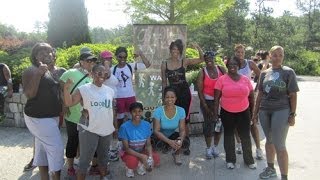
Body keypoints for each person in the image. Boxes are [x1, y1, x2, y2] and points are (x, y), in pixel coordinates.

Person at [252, 46, 299, 180]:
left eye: (280, 55)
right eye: (275, 55)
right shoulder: (264, 73)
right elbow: (260, 94)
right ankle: (270, 168)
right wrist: (255, 113)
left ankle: (284, 177)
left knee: (279, 144)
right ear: (270, 56)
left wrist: (292, 114)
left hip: (281, 110)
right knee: (269, 141)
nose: (277, 57)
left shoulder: (288, 72)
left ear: (283, 56)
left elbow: (293, 95)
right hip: (264, 110)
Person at [64, 64, 115, 180]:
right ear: (92, 74)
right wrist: (66, 88)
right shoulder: (84, 89)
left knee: (104, 158)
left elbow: (111, 110)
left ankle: (103, 177)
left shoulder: (110, 91)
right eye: (99, 73)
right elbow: (69, 102)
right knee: (85, 161)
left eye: (104, 74)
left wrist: (114, 127)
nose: (102, 76)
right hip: (88, 130)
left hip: (106, 130)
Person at [22, 43, 64, 180]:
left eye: (49, 51)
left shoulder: (54, 71)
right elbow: (29, 94)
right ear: (35, 56)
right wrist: (39, 74)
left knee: (42, 151)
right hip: (38, 117)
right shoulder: (31, 70)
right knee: (57, 150)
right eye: (41, 52)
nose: (46, 54)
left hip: (52, 117)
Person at [161, 39, 204, 155]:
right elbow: (164, 83)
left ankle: (185, 143)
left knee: (185, 120)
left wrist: (198, 47)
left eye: (177, 49)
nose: (175, 51)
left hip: (184, 93)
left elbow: (201, 59)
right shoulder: (164, 64)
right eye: (173, 49)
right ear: (170, 50)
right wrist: (163, 98)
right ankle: (172, 143)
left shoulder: (184, 61)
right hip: (172, 95)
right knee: (172, 119)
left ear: (180, 51)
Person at [214, 56, 256, 169]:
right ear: (227, 66)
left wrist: (253, 113)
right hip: (227, 112)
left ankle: (249, 160)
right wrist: (215, 115)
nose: (232, 66)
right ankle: (230, 160)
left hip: (244, 112)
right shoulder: (221, 79)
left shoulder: (245, 79)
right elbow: (216, 98)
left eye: (235, 64)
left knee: (246, 136)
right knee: (228, 136)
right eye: (230, 64)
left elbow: (252, 97)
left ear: (239, 66)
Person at [60, 47, 96, 177]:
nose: (91, 63)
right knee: (73, 141)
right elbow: (60, 87)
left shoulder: (94, 75)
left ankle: (88, 164)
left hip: (87, 116)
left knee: (88, 141)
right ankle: (70, 167)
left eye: (93, 61)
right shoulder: (71, 72)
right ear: (81, 62)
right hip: (73, 115)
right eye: (88, 61)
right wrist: (64, 104)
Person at [234, 44, 263, 160]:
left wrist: (257, 89)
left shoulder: (250, 63)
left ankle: (258, 149)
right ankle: (239, 144)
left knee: (252, 124)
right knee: (236, 123)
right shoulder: (231, 64)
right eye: (238, 52)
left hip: (248, 98)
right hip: (235, 99)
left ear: (244, 53)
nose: (240, 54)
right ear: (234, 53)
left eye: (242, 52)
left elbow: (261, 75)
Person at [197, 51, 226, 159]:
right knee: (209, 125)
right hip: (207, 102)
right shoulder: (202, 72)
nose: (209, 60)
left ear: (214, 58)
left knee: (219, 125)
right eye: (206, 58)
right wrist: (205, 106)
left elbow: (228, 82)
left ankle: (215, 147)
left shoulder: (221, 70)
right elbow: (200, 91)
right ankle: (208, 148)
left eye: (211, 58)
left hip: (220, 101)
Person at [119, 102, 160, 178]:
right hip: (128, 152)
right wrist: (142, 156)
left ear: (142, 112)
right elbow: (126, 149)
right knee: (132, 162)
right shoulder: (124, 127)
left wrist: (150, 157)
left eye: (139, 111)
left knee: (156, 159)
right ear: (131, 112)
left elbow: (148, 144)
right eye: (134, 111)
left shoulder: (146, 125)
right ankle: (130, 167)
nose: (137, 113)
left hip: (141, 150)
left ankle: (140, 163)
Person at [153, 86, 187, 166]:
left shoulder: (181, 110)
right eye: (167, 97)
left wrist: (181, 140)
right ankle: (157, 154)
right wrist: (169, 142)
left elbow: (182, 129)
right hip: (159, 135)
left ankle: (177, 154)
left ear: (176, 98)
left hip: (171, 134)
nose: (170, 99)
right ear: (164, 98)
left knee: (182, 140)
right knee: (155, 145)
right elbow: (156, 131)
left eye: (172, 97)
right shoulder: (158, 111)